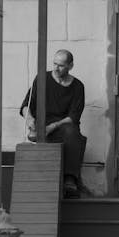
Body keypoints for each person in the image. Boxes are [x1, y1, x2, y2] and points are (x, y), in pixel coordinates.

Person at [20, 49, 85, 198]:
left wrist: (53, 127)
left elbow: (73, 116)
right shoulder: (42, 79)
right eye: (54, 63)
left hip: (63, 126)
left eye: (61, 65)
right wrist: (30, 120)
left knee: (71, 131)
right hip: (42, 125)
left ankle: (70, 179)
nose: (56, 68)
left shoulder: (78, 86)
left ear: (71, 66)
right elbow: (26, 105)